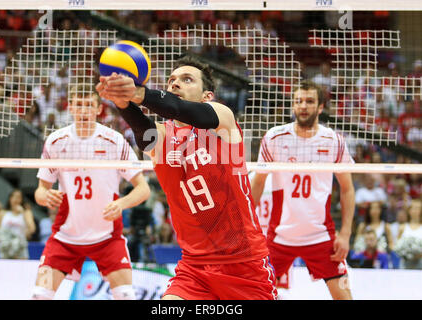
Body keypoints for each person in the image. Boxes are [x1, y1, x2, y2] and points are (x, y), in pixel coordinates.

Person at [98, 55, 277, 300]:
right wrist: (122, 102)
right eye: (171, 80)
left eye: (187, 79)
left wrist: (138, 93)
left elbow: (178, 108)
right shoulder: (162, 135)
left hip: (244, 265)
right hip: (194, 268)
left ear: (207, 96)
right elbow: (143, 132)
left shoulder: (222, 119)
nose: (175, 83)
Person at [31, 84, 151, 300]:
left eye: (89, 105)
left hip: (106, 237)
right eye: (79, 105)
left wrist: (121, 204)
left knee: (126, 295)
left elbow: (143, 189)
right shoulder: (56, 141)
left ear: (98, 109)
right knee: (40, 295)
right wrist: (45, 197)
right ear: (71, 108)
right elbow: (40, 192)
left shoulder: (114, 141)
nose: (84, 110)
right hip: (65, 237)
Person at [250, 80, 355, 300]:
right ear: (293, 105)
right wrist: (247, 225)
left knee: (344, 296)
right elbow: (258, 182)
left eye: (309, 101)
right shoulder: (274, 137)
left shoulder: (334, 140)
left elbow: (347, 188)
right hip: (279, 236)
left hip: (320, 236)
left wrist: (345, 234)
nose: (303, 106)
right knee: (253, 294)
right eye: (298, 101)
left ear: (320, 107)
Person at [0, 189, 36, 259]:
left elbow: (32, 229)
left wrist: (22, 213)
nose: (16, 199)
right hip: (6, 247)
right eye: (14, 197)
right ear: (10, 198)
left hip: (20, 247)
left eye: (19, 197)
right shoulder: (3, 213)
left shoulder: (26, 212)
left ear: (22, 200)